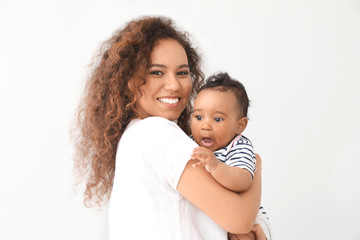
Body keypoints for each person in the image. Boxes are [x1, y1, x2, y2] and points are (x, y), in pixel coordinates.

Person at [73, 16, 267, 239]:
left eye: (182, 73)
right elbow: (240, 220)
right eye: (157, 72)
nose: (174, 85)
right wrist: (255, 164)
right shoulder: (157, 133)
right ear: (128, 79)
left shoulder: (135, 136)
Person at [190, 72, 272, 240]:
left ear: (240, 126)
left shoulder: (238, 147)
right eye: (199, 117)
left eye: (218, 119)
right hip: (221, 214)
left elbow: (243, 181)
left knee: (243, 235)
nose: (205, 125)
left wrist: (216, 166)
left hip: (252, 218)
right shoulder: (190, 143)